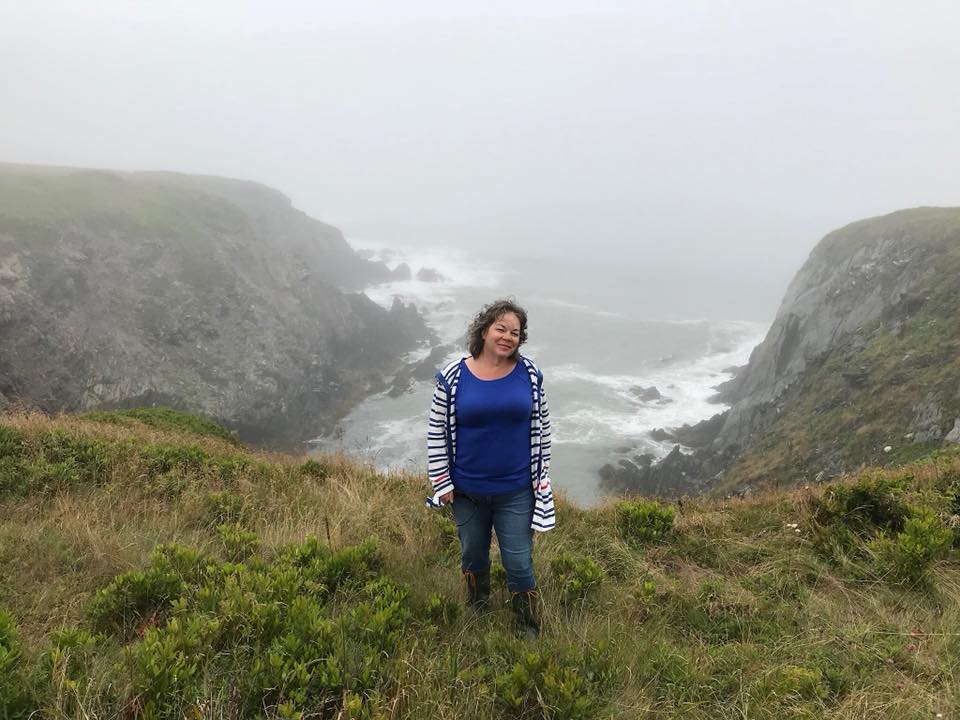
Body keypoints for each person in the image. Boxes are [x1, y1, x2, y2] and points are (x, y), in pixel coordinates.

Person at [427, 299, 555, 639]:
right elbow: (436, 431)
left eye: (515, 332)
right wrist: (442, 483)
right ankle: (478, 606)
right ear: (484, 331)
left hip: (517, 490)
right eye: (500, 328)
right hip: (467, 490)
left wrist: (542, 479)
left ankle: (526, 624)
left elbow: (543, 428)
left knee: (518, 560)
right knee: (472, 554)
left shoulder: (530, 374)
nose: (507, 337)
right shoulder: (453, 377)